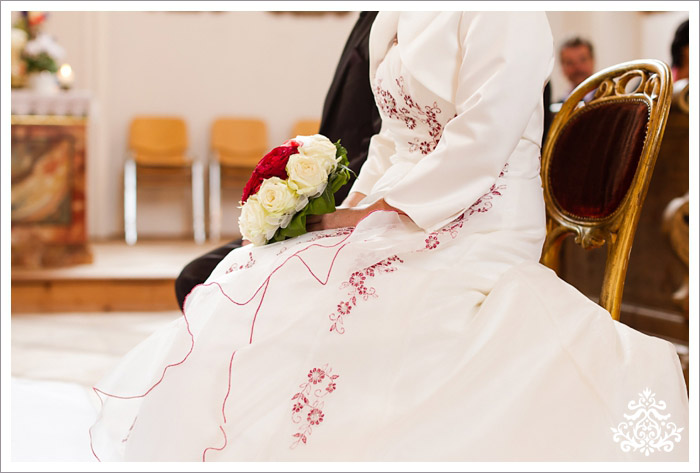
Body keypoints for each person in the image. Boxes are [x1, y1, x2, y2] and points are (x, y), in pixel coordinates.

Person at [90, 12, 688, 461]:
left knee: (367, 305)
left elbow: (481, 140)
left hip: (482, 212)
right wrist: (344, 211)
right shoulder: (398, 10)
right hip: (402, 194)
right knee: (275, 271)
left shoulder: (508, 11)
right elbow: (389, 141)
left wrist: (385, 211)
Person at [174, 12, 381, 311]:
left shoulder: (394, 21)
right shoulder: (369, 17)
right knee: (195, 279)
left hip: (353, 201)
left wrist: (310, 215)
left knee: (200, 280)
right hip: (333, 197)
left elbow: (380, 146)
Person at [558, 36, 596, 102]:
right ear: (562, 67)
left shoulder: (612, 101)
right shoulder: (557, 108)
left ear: (593, 61)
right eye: (569, 62)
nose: (577, 67)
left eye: (582, 60)